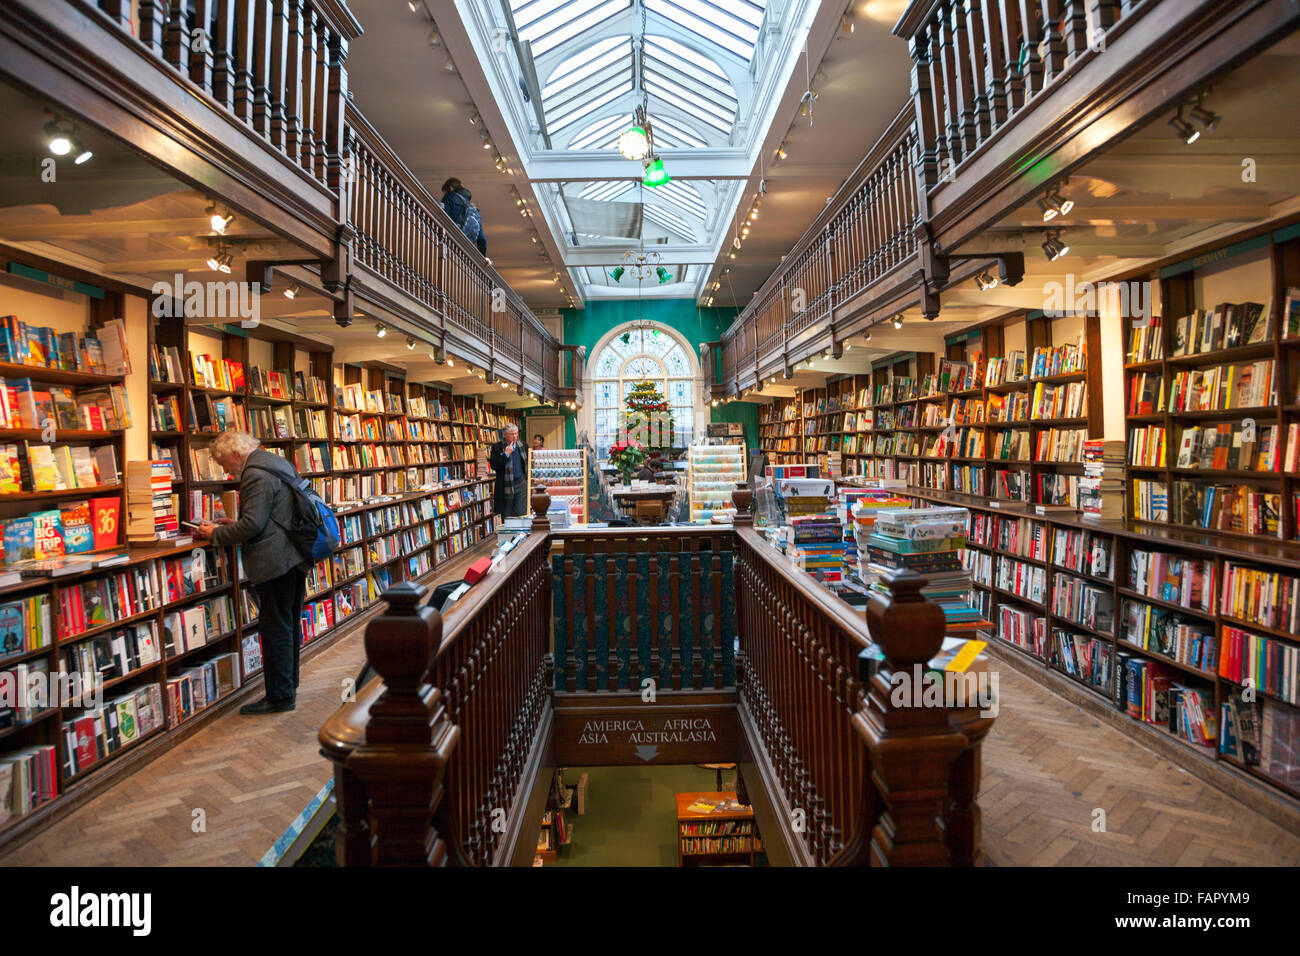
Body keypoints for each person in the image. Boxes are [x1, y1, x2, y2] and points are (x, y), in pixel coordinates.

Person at [193, 430, 310, 715]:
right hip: (294, 555)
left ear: (235, 454)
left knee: (275, 628)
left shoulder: (254, 474)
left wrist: (217, 533)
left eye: (224, 464)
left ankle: (279, 697)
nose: (226, 472)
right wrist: (239, 521)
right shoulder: (274, 461)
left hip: (276, 561)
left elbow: (253, 527)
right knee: (289, 623)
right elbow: (269, 515)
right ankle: (287, 687)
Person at [440, 177, 488, 256]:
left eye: (444, 193)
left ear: (450, 188)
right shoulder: (475, 211)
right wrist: (484, 257)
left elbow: (443, 218)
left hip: (450, 242)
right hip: (463, 250)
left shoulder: (450, 197)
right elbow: (482, 239)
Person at [489, 423, 529, 518]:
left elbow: (528, 464)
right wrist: (506, 454)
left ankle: (522, 532)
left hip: (521, 483)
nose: (515, 436)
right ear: (505, 435)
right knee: (507, 514)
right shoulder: (497, 447)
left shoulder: (523, 445)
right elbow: (494, 465)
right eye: (512, 434)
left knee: (522, 513)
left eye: (516, 433)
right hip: (505, 486)